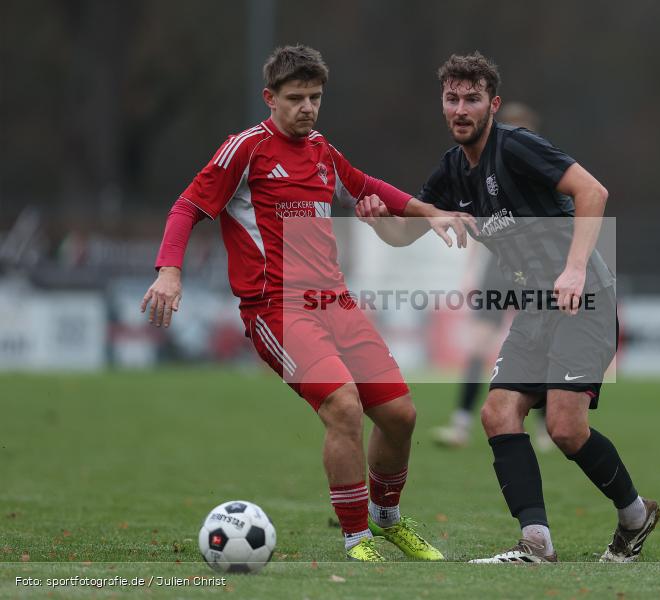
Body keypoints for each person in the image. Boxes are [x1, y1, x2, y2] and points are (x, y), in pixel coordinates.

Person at [139, 44, 470, 563]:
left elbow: (366, 185)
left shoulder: (321, 149)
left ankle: (387, 520)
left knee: (401, 415)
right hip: (277, 309)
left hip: (336, 302)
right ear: (270, 97)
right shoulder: (245, 149)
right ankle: (357, 538)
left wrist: (429, 211)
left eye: (315, 97)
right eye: (296, 98)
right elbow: (187, 206)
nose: (308, 108)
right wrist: (169, 270)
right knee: (343, 406)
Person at [356, 52, 660, 563]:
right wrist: (377, 221)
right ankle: (536, 543)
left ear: (492, 104)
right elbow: (409, 233)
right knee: (498, 414)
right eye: (452, 98)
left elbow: (593, 190)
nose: (460, 109)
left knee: (565, 428)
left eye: (472, 98)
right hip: (536, 308)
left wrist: (576, 267)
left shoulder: (516, 146)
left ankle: (634, 515)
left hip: (583, 298)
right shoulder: (453, 169)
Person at [431, 102, 553, 453]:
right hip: (497, 273)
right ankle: (461, 423)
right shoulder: (484, 174)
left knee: (542, 346)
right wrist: (472, 270)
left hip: (534, 271)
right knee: (479, 346)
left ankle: (546, 427)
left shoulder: (541, 176)